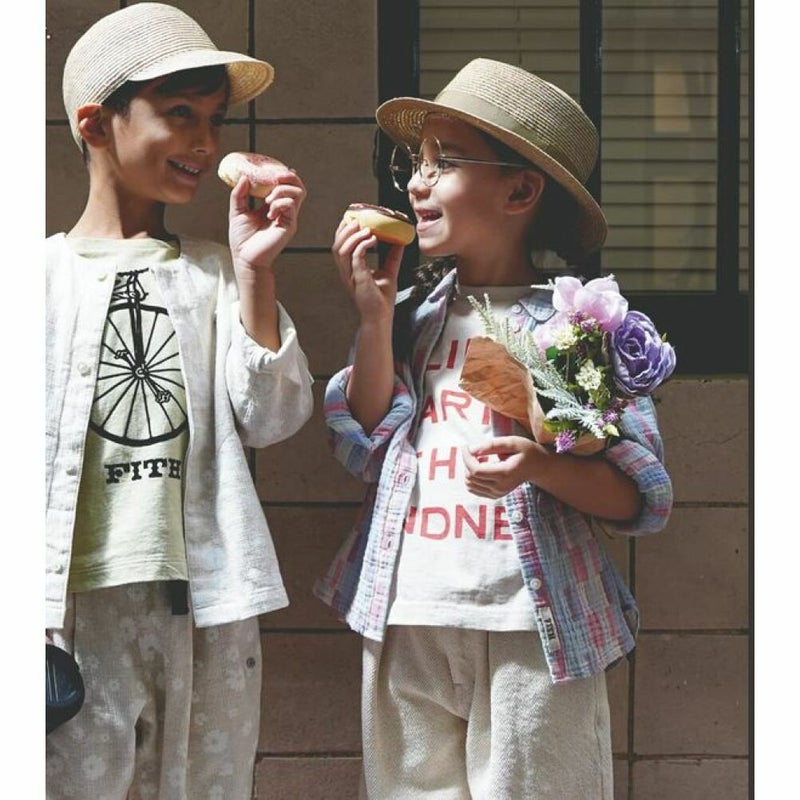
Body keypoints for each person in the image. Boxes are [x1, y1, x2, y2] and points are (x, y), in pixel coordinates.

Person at [316, 58, 673, 799]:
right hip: (407, 611)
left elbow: (639, 497)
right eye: (415, 164)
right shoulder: (414, 319)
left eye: (443, 163)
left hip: (532, 626)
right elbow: (363, 447)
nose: (417, 184)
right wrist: (374, 318)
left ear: (518, 191)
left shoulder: (573, 325)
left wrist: (539, 465)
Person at [45, 4, 314, 798]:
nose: (205, 142)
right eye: (180, 114)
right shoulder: (33, 278)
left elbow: (271, 418)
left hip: (205, 606)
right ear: (97, 123)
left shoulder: (216, 273)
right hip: (64, 610)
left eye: (215, 120)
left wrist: (256, 268)